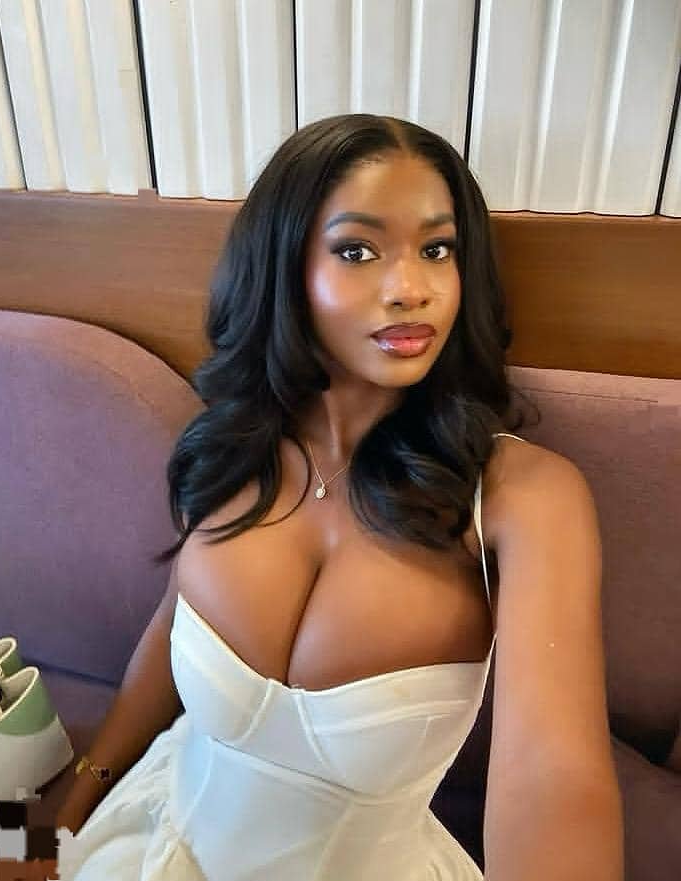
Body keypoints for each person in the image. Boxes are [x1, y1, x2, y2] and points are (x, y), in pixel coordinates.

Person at [46, 114, 623, 879]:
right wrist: (50, 829)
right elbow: (169, 637)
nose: (411, 288)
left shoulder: (523, 499)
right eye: (357, 250)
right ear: (283, 267)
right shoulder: (231, 448)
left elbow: (556, 781)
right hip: (148, 841)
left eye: (437, 249)